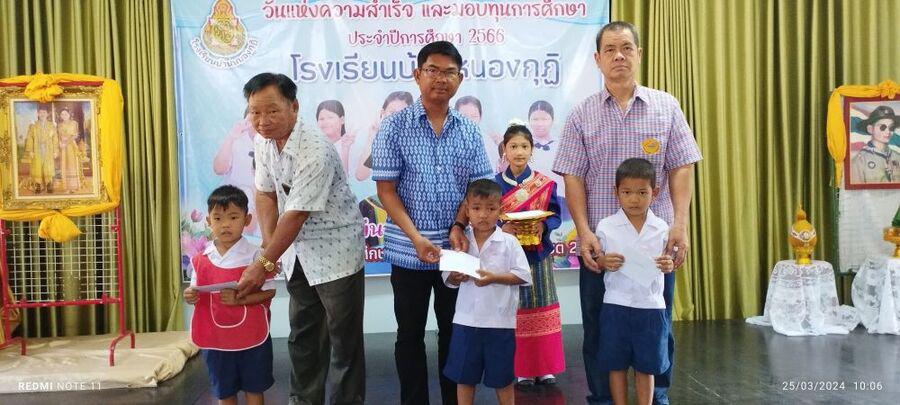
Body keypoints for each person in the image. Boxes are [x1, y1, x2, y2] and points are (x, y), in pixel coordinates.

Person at [552, 21, 702, 405]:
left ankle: (658, 397)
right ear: (597, 59)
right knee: (599, 327)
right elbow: (573, 177)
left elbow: (682, 166)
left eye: (626, 48)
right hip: (601, 247)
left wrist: (680, 225)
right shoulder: (581, 114)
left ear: (639, 54)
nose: (619, 56)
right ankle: (603, 398)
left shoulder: (666, 106)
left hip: (655, 245)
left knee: (658, 324)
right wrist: (583, 232)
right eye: (610, 49)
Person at [372, 41, 493, 405]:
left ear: (460, 78)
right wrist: (416, 238)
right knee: (409, 335)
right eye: (433, 70)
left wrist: (457, 226)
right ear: (417, 75)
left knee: (454, 333)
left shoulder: (469, 130)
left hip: (456, 252)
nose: (441, 79)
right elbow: (386, 190)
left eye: (449, 72)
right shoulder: (394, 127)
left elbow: (478, 189)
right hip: (408, 250)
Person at [235, 73, 365, 405]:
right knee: (303, 336)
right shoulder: (263, 141)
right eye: (255, 112)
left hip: (336, 253)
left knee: (343, 343)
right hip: (297, 253)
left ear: (294, 106)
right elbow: (265, 193)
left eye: (272, 111)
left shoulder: (315, 149)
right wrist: (269, 250)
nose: (262, 121)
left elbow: (295, 215)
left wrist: (262, 264)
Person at [184, 185, 277, 405]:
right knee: (224, 392)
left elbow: (270, 291)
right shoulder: (200, 259)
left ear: (247, 219)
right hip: (216, 340)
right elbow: (196, 291)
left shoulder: (259, 256)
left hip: (252, 336)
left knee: (254, 388)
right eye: (218, 218)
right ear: (208, 221)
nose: (225, 224)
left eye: (233, 217)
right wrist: (190, 296)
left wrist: (239, 300)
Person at [442, 179, 532, 405]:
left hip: (500, 323)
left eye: (491, 209)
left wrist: (494, 278)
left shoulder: (509, 242)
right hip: (465, 321)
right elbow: (448, 279)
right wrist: (455, 276)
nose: (483, 215)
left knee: (503, 379)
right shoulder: (460, 241)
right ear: (467, 210)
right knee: (464, 378)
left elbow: (523, 275)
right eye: (476, 208)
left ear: (500, 210)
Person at [594, 158, 675, 405]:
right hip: (616, 305)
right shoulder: (606, 226)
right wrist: (603, 261)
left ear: (655, 192)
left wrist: (669, 264)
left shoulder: (662, 228)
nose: (634, 199)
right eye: (627, 192)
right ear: (616, 192)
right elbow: (596, 261)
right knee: (615, 364)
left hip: (650, 306)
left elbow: (669, 261)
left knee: (647, 366)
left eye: (642, 193)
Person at [493, 123, 566, 386]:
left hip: (538, 254)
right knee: (516, 307)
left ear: (532, 150)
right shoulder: (494, 184)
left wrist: (543, 226)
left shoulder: (545, 184)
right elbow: (487, 216)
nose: (519, 151)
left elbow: (555, 214)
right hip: (508, 257)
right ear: (504, 149)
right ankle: (522, 368)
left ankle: (545, 367)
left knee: (542, 306)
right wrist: (502, 227)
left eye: (524, 146)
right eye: (513, 146)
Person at [213, 109, 258, 232]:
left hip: (259, 202)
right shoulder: (237, 140)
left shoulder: (274, 143)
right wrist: (231, 137)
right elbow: (219, 169)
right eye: (252, 117)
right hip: (232, 199)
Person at [356, 91, 414, 181]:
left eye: (403, 113)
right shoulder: (378, 140)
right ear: (382, 113)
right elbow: (361, 176)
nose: (396, 118)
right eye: (392, 112)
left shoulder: (415, 140)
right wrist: (372, 137)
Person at [850, 105, 900, 184]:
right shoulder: (860, 161)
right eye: (882, 127)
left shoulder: (897, 157)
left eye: (891, 128)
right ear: (870, 129)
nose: (888, 132)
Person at [455, 95, 502, 171]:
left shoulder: (488, 141)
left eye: (474, 116)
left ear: (480, 117)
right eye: (464, 116)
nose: (469, 121)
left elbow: (497, 169)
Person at [23, 104, 58, 194]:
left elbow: (55, 139)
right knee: (37, 166)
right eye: (40, 112)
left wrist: (55, 151)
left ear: (47, 114)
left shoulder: (52, 126)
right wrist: (30, 150)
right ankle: (38, 185)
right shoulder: (33, 126)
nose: (42, 114)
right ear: (38, 114)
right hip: (37, 149)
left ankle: (49, 184)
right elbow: (30, 138)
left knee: (48, 166)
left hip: (48, 149)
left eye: (44, 112)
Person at [316, 100, 355, 174]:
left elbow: (345, 178)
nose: (325, 122)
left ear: (342, 120)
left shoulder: (351, 147)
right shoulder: (315, 148)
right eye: (321, 119)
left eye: (330, 117)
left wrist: (345, 148)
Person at [57, 108, 82, 193]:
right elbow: (58, 136)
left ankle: (73, 186)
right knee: (64, 165)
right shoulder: (59, 125)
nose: (64, 116)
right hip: (63, 147)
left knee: (72, 165)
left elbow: (75, 135)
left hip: (71, 146)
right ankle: (66, 187)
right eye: (62, 114)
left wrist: (66, 142)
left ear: (69, 114)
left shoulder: (74, 123)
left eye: (65, 114)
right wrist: (60, 143)